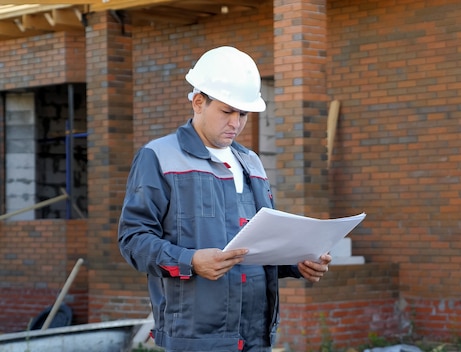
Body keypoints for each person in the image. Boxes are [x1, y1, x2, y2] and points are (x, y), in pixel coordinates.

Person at [118, 46, 332, 352]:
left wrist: (297, 262)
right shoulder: (159, 157)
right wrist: (190, 261)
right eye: (227, 111)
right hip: (196, 337)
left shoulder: (252, 163)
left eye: (243, 113)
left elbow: (259, 247)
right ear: (198, 102)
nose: (236, 122)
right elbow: (133, 240)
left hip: (256, 334)